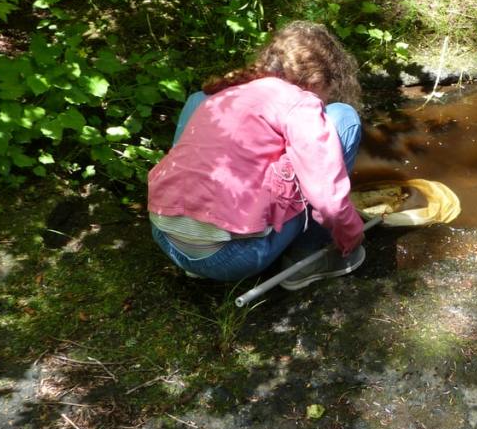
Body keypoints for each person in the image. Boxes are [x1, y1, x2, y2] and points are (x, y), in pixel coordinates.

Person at [147, 21, 366, 290]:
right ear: (318, 80)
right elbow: (327, 201)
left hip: (166, 239)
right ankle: (307, 258)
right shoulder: (299, 101)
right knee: (343, 117)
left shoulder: (223, 94)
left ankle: (200, 253)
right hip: (233, 259)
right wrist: (351, 235)